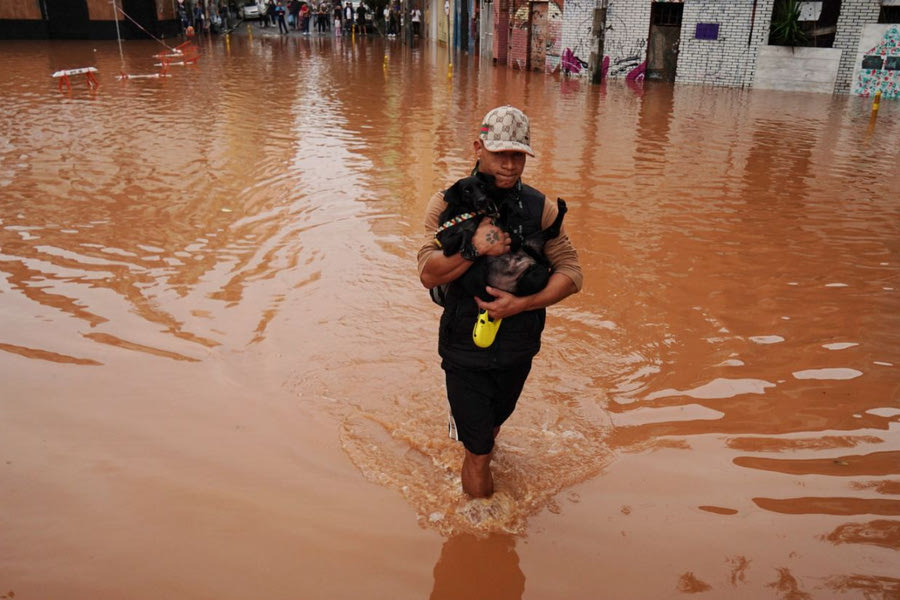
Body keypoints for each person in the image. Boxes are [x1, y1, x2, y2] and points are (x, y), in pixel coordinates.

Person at [417, 106, 582, 499]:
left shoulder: (540, 209)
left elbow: (572, 274)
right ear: (478, 147)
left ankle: (479, 439)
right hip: (463, 347)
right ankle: (480, 525)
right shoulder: (446, 204)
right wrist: (472, 249)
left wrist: (522, 305)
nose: (509, 166)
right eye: (500, 154)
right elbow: (428, 273)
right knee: (479, 452)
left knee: (492, 429)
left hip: (518, 346)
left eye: (517, 156)